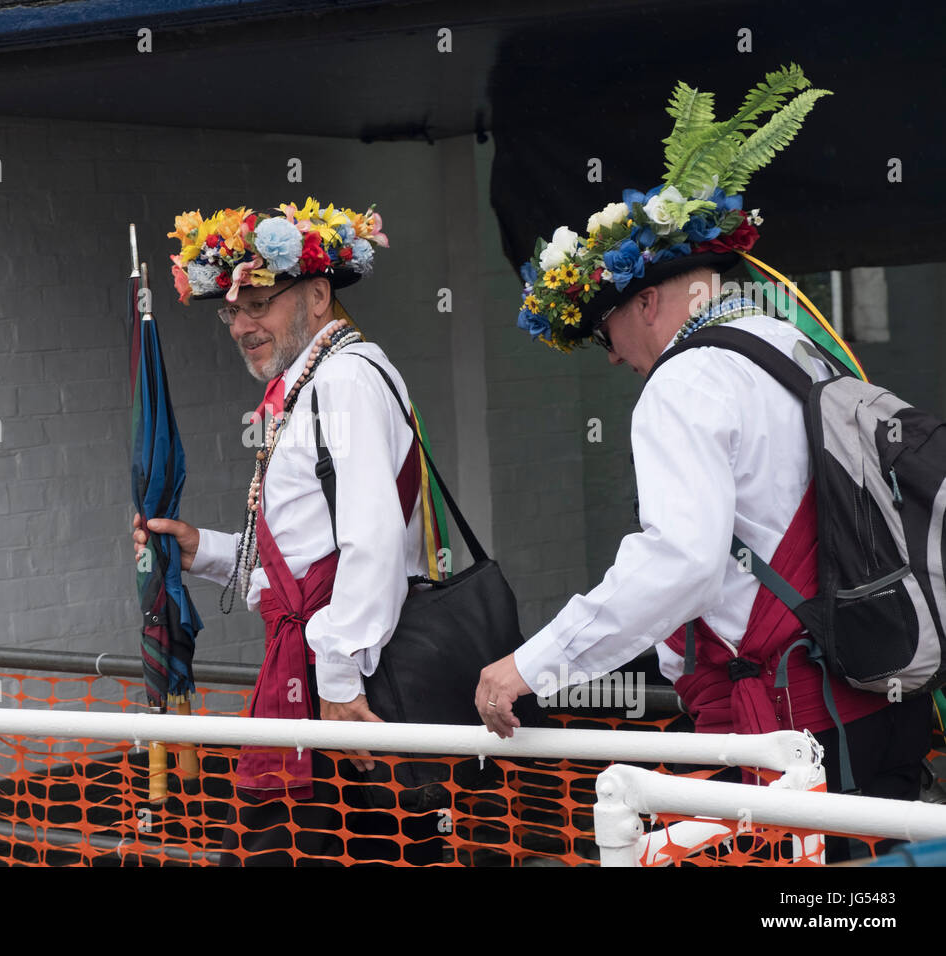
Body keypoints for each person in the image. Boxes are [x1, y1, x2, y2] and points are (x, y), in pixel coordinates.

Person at [474, 67, 933, 844]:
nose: (612, 355)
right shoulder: (786, 341)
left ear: (647, 301)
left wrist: (534, 664)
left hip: (800, 722)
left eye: (606, 329)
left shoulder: (682, 383)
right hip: (873, 690)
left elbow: (680, 560)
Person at [133, 199, 444, 864]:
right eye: (231, 310)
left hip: (348, 676)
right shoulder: (314, 382)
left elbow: (372, 542)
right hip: (332, 668)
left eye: (260, 303)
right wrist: (204, 551)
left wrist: (337, 683)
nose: (242, 324)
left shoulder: (345, 379)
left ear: (318, 295)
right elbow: (307, 559)